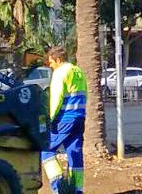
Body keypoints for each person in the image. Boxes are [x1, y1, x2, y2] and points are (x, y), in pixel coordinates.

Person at [44, 46, 86, 194]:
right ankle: (77, 189)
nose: (50, 65)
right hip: (79, 118)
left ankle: (60, 188)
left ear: (58, 59)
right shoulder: (78, 71)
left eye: (51, 62)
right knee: (74, 153)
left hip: (64, 119)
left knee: (46, 150)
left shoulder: (59, 73)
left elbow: (56, 99)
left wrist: (48, 119)